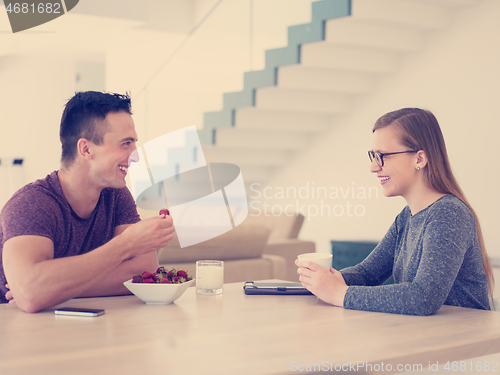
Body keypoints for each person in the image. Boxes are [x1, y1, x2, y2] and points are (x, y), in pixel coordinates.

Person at [296, 108, 493, 316]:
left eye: (382, 156)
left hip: (468, 342)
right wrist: (326, 281)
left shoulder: (449, 214)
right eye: (373, 156)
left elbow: (422, 298)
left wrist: (339, 293)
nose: (373, 167)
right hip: (428, 335)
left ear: (419, 159)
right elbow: (367, 274)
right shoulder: (406, 218)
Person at [0, 91, 174, 313]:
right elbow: (29, 296)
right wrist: (125, 244)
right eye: (125, 144)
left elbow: (145, 269)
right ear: (86, 149)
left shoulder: (115, 195)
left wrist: (55, 289)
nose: (136, 155)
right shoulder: (30, 204)